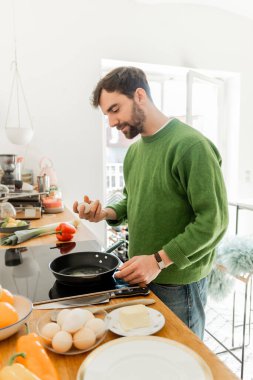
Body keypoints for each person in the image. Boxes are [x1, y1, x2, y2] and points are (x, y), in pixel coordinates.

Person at [73, 66, 229, 339]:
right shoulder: (134, 152)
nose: (111, 122)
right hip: (142, 275)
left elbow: (213, 221)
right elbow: (132, 200)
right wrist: (105, 213)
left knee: (183, 361)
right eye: (107, 114)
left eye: (114, 109)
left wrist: (158, 261)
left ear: (140, 95)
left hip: (178, 283)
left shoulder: (191, 146)